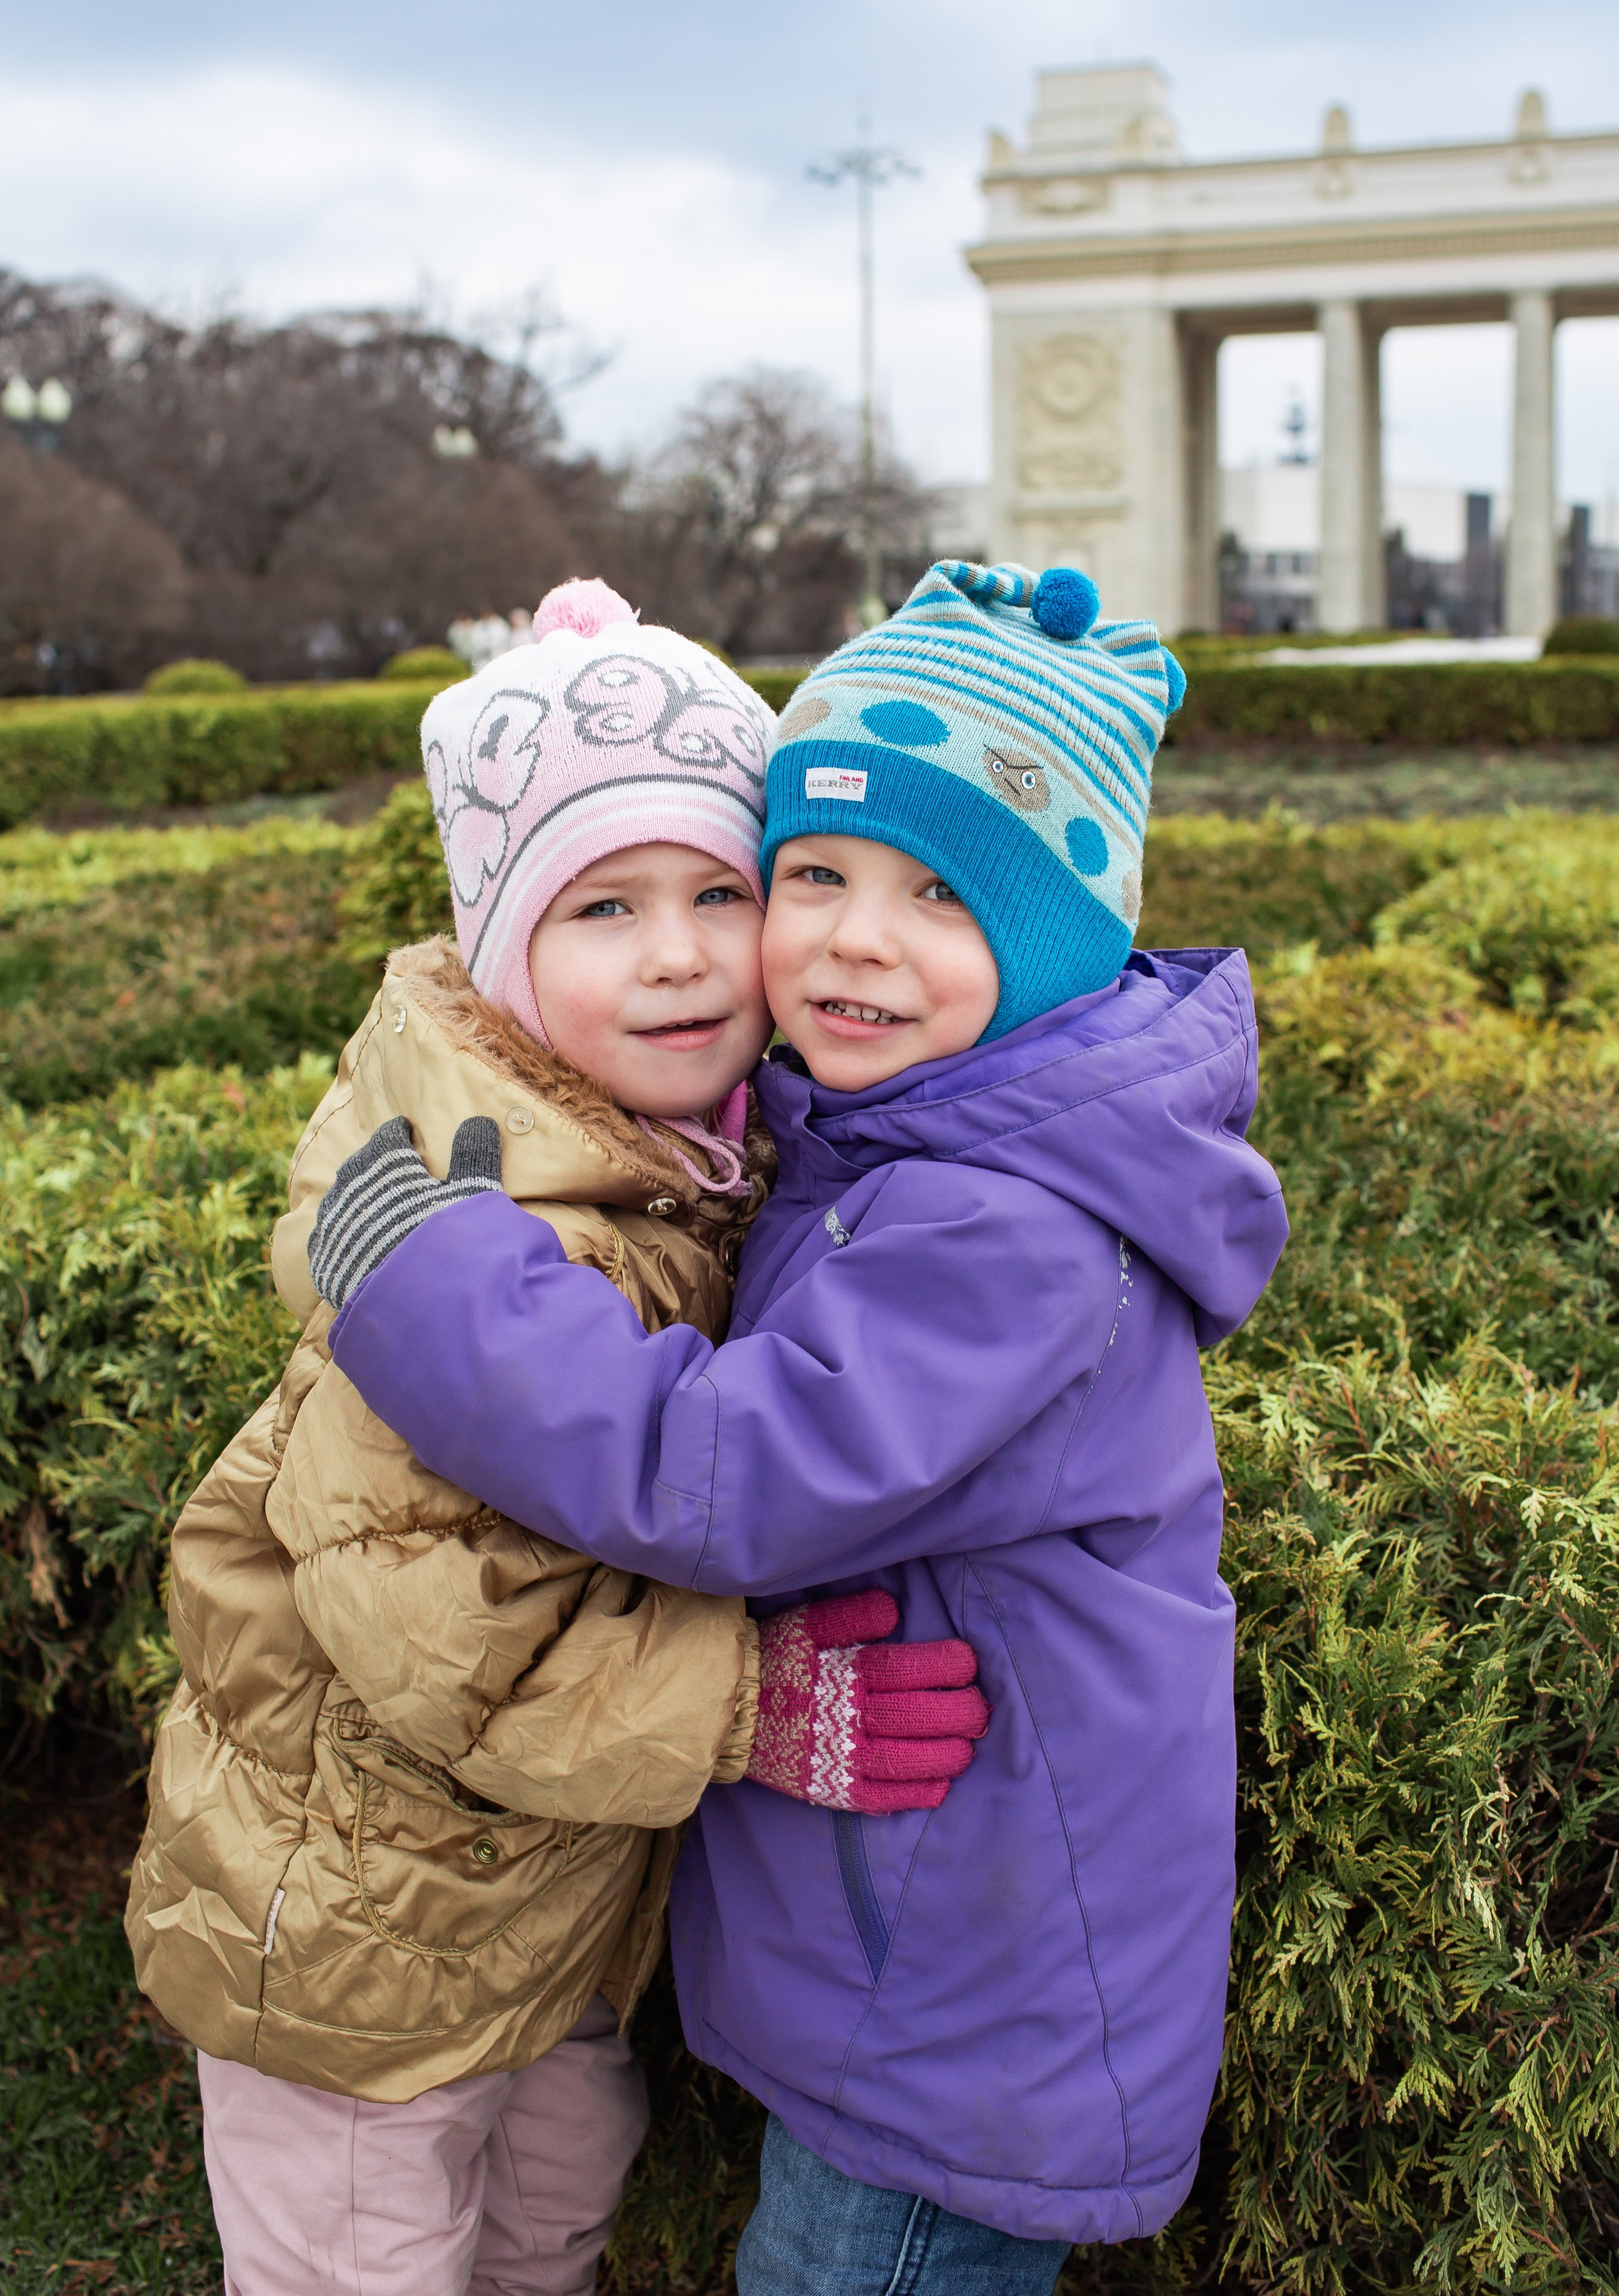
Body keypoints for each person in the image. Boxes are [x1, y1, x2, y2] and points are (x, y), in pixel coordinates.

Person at [310, 558, 1292, 2295]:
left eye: (937, 893)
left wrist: (441, 1291)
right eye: (815, 871)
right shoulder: (914, 1142)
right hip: (916, 1952)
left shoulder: (1007, 1231)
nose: (851, 934)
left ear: (1059, 935)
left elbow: (726, 1473)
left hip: (957, 2015)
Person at [126, 579, 985, 2296]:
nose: (674, 951)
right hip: (358, 1944)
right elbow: (447, 1632)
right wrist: (749, 1707)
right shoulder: (471, 1242)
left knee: (553, 2206)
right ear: (502, 950)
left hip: (531, 1908)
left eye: (718, 894)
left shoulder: (674, 1151)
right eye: (602, 906)